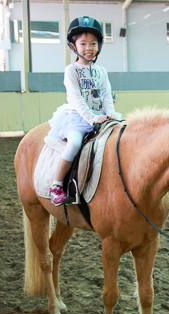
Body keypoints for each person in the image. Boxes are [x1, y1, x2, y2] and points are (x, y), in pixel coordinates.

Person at [48, 16, 121, 206]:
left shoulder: (102, 71)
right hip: (78, 118)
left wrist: (111, 113)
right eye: (83, 43)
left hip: (101, 117)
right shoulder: (71, 70)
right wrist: (91, 117)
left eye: (93, 43)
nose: (89, 48)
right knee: (73, 144)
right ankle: (56, 185)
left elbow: (106, 95)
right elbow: (76, 98)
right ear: (73, 45)